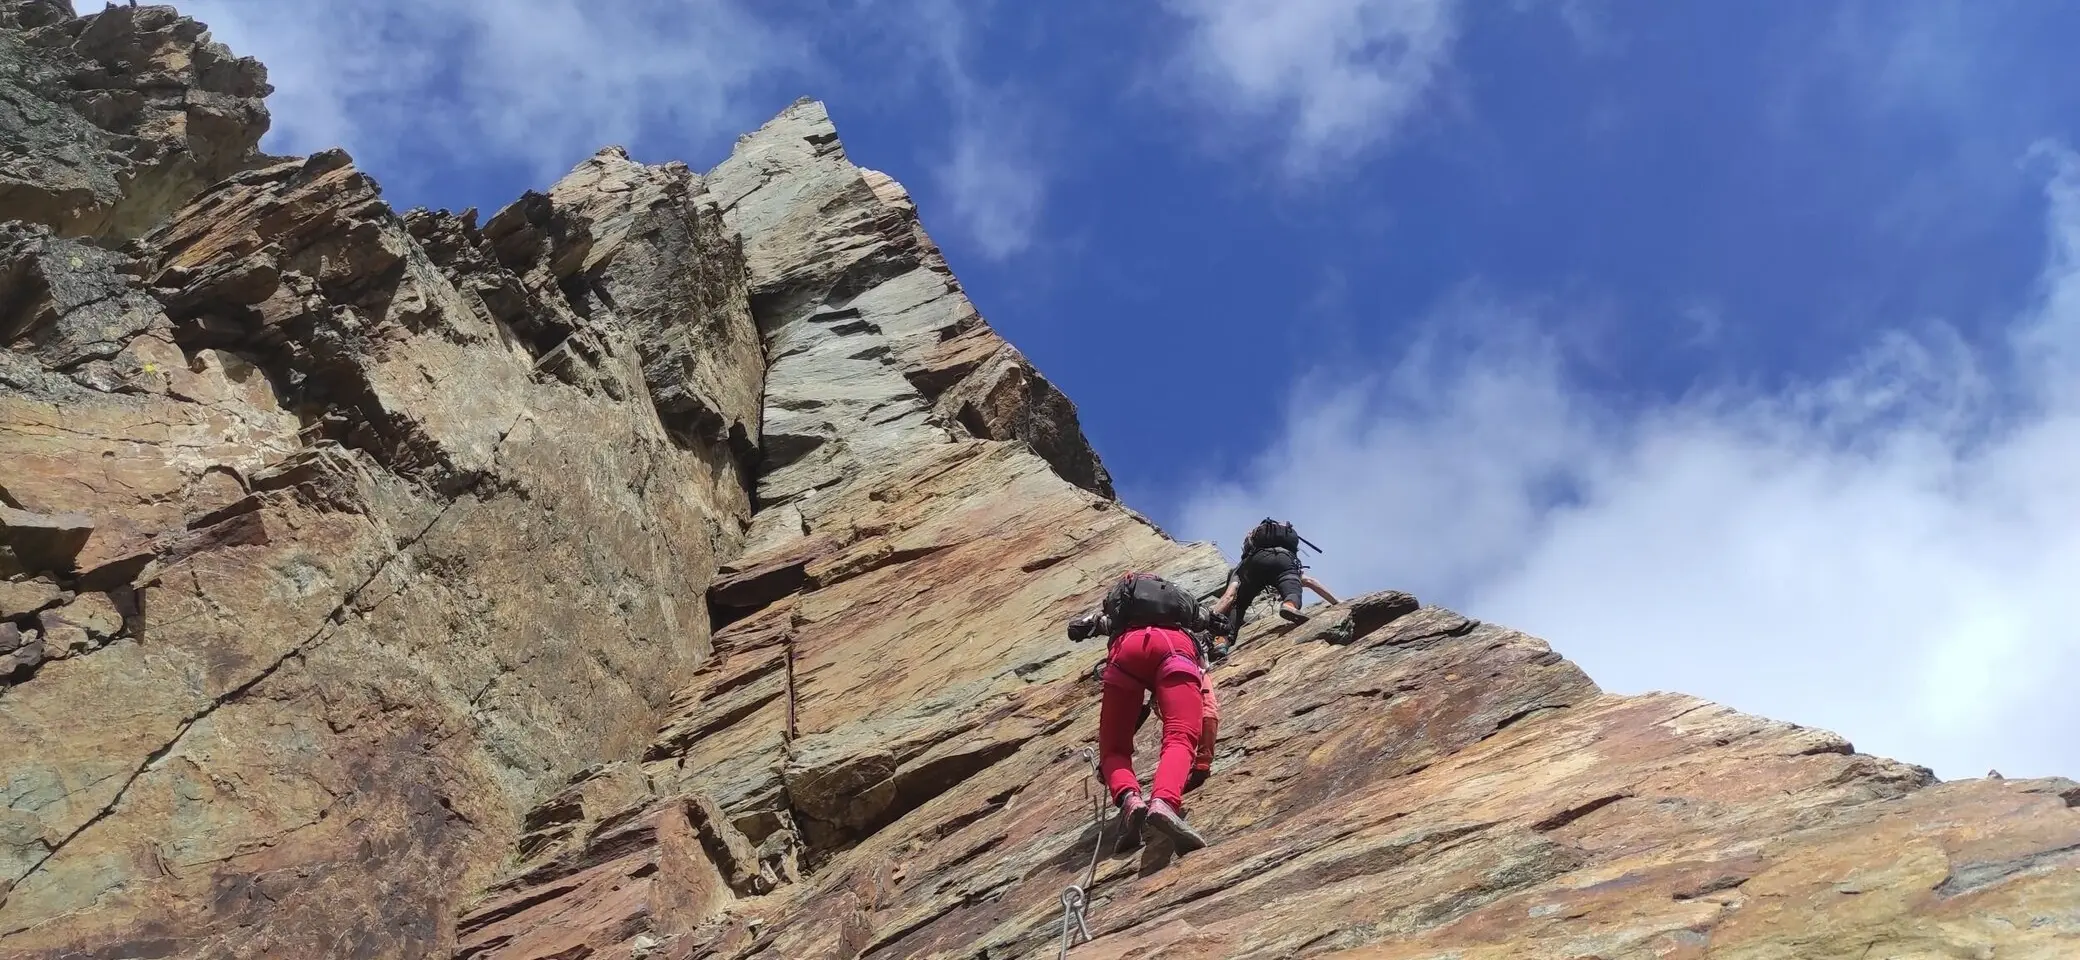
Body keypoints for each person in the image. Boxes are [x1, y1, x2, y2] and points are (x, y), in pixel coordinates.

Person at [1066, 572, 1223, 853]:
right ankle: (1163, 802)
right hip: (1175, 648)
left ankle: (1130, 799)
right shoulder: (1176, 599)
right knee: (1180, 736)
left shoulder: (1121, 604)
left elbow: (1084, 626)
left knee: (1113, 749)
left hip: (1127, 651)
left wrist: (1084, 628)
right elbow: (1205, 618)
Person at [1208, 518, 1338, 660]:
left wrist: (1205, 621)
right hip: (1283, 559)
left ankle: (1222, 641)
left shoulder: (1242, 566)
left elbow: (1229, 596)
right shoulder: (1285, 552)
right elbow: (1311, 581)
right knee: (1292, 587)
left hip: (1253, 564)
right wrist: (1337, 602)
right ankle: (1289, 605)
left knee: (1238, 605)